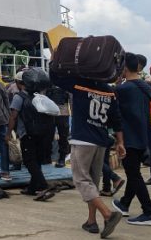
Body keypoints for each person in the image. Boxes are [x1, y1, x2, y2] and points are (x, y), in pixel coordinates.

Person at [51, 73, 125, 238]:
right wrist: (120, 142)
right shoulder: (109, 91)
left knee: (81, 180)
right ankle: (91, 221)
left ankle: (107, 214)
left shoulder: (79, 85)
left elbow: (55, 78)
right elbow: (117, 119)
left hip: (82, 140)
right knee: (92, 182)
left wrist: (54, 60)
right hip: (100, 141)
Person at [112, 53, 151, 226]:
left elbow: (115, 113)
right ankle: (124, 203)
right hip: (144, 136)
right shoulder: (146, 87)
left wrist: (119, 141)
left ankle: (149, 212)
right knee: (134, 173)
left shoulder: (123, 89)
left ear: (124, 69)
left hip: (129, 137)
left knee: (133, 174)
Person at [6, 69, 56, 202]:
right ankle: (32, 188)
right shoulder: (39, 96)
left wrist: (8, 133)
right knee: (37, 160)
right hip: (42, 133)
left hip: (27, 133)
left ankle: (43, 186)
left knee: (29, 161)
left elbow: (13, 116)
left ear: (18, 82)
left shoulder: (19, 97)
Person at [46, 85, 71, 168]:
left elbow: (71, 100)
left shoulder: (66, 83)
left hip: (63, 111)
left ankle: (62, 158)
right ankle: (47, 157)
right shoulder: (49, 83)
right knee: (48, 136)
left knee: (63, 136)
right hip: (50, 112)